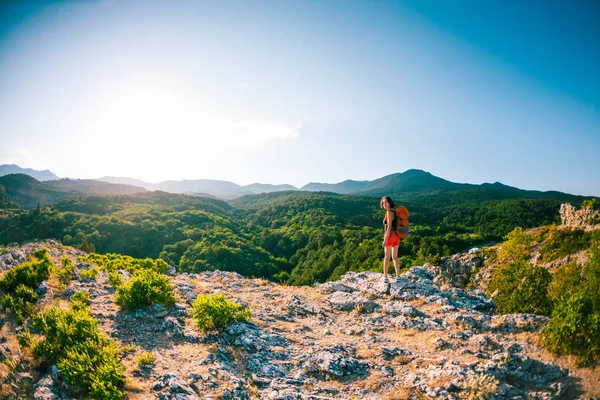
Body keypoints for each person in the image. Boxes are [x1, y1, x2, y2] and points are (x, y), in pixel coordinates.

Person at [380, 196, 400, 283]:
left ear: (390, 203)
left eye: (386, 202)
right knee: (395, 257)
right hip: (397, 236)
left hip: (390, 236)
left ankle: (385, 276)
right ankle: (398, 276)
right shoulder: (394, 212)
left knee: (387, 257)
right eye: (383, 203)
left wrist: (385, 240)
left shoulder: (388, 212)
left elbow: (389, 227)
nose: (384, 204)